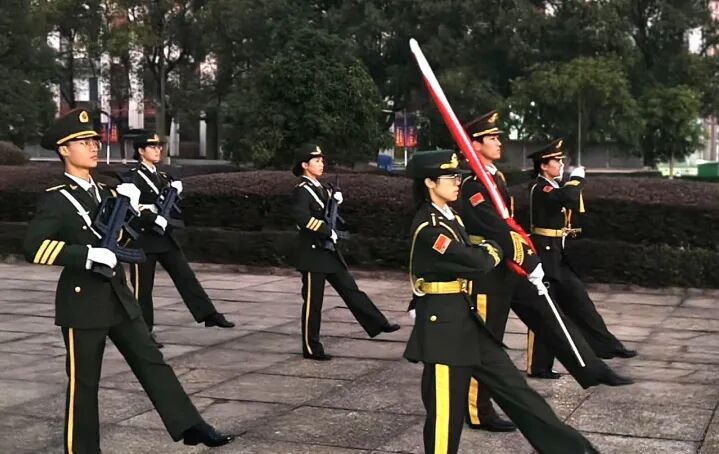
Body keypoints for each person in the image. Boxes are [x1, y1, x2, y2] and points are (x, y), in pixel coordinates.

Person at [24, 109, 233, 452]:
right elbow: (34, 247)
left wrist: (132, 214)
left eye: (94, 140)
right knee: (84, 384)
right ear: (64, 150)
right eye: (83, 142)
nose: (93, 146)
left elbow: (120, 239)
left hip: (117, 296)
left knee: (152, 362)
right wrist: (86, 255)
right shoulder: (57, 198)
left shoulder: (106, 191)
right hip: (83, 301)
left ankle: (191, 426)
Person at [403, 149, 599, 454]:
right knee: (445, 416)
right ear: (429, 182)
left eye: (457, 176)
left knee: (516, 390)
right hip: (443, 330)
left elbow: (475, 251)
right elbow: (475, 261)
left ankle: (572, 449)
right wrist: (495, 247)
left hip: (465, 319)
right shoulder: (429, 227)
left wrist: (488, 247)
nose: (457, 182)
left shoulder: (450, 216)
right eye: (450, 177)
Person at [459, 111, 633, 433]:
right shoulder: (472, 185)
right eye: (492, 138)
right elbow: (494, 228)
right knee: (487, 343)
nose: (499, 142)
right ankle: (478, 411)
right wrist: (529, 259)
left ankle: (592, 369)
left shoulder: (494, 177)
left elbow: (508, 224)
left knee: (549, 314)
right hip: (488, 272)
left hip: (511, 265)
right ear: (475, 145)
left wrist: (527, 259)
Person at [525, 138, 636, 372]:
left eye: (561, 160)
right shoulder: (540, 188)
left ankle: (607, 346)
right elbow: (569, 197)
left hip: (558, 255)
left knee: (581, 303)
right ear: (543, 166)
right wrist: (577, 179)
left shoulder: (554, 186)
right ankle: (539, 366)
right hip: (544, 256)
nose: (561, 164)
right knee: (547, 313)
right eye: (556, 161)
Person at [124, 132, 234, 348]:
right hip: (143, 239)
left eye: (159, 146)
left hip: (163, 237)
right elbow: (132, 208)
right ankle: (143, 332)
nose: (158, 150)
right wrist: (152, 217)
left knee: (185, 276)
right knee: (142, 290)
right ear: (141, 151)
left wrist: (173, 194)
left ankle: (208, 314)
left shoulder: (163, 177)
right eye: (152, 147)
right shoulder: (132, 177)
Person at [291, 143, 400, 360]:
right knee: (313, 304)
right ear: (305, 165)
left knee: (351, 290)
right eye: (316, 161)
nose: (321, 164)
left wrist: (335, 200)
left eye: (322, 160)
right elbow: (302, 218)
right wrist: (326, 231)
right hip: (313, 255)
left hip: (328, 252)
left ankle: (379, 323)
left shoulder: (321, 188)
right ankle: (311, 348)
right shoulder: (301, 190)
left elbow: (326, 213)